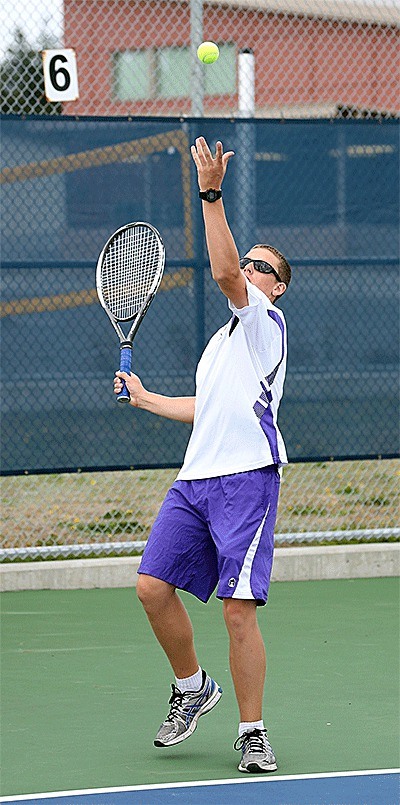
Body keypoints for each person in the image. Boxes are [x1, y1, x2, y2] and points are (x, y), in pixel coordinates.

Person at [114, 136, 291, 773]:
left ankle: (253, 732)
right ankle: (193, 687)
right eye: (248, 260)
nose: (248, 268)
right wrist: (146, 398)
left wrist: (210, 195)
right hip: (195, 481)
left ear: (277, 288)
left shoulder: (264, 323)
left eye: (260, 266)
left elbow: (221, 273)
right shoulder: (220, 344)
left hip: (247, 481)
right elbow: (205, 409)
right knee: (151, 588)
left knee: (237, 610)